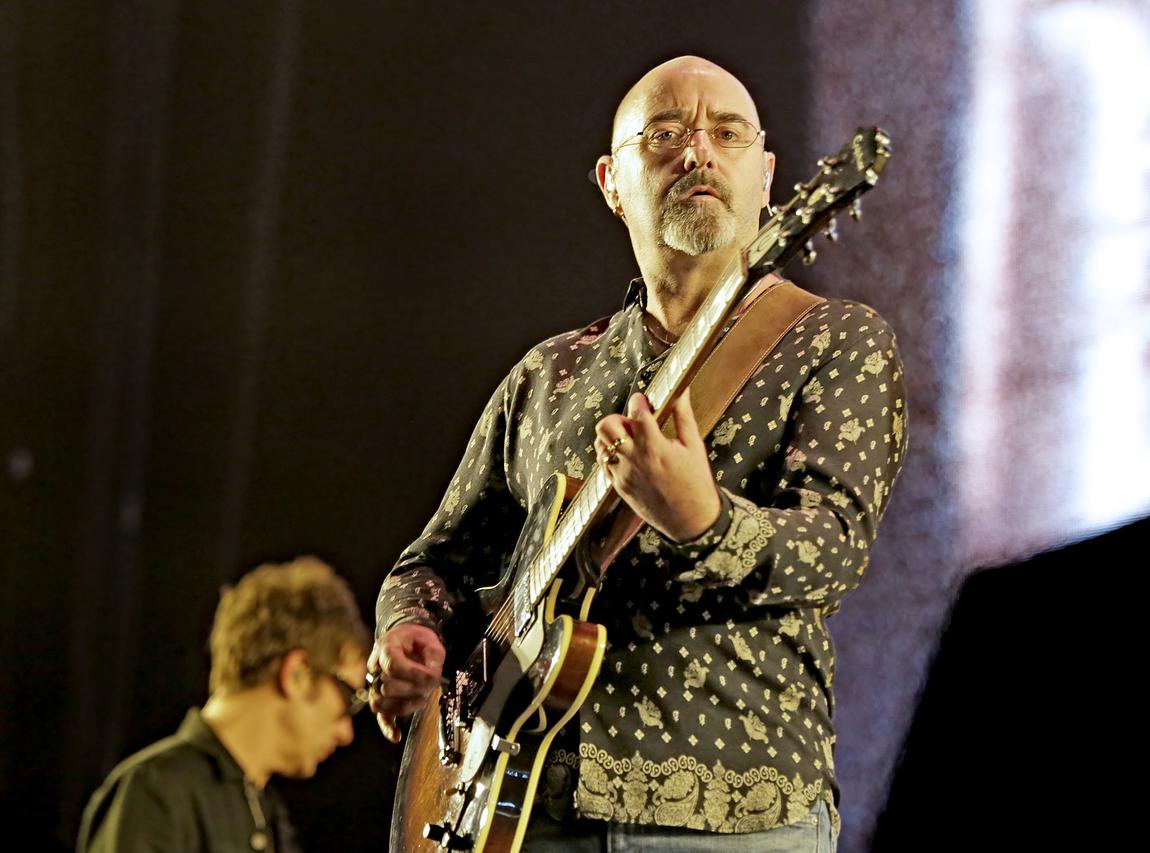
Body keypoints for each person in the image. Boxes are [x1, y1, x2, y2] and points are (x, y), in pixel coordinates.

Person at [369, 55, 907, 851]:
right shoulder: (547, 373)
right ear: (611, 182)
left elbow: (831, 552)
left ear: (766, 177)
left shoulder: (834, 341)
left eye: (726, 133)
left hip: (733, 813)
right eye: (664, 134)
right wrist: (410, 633)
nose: (698, 153)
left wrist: (705, 521)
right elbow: (433, 562)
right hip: (523, 810)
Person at [78, 556, 371, 853]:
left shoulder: (265, 810)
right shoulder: (156, 791)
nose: (346, 733)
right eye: (350, 698)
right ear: (297, 674)